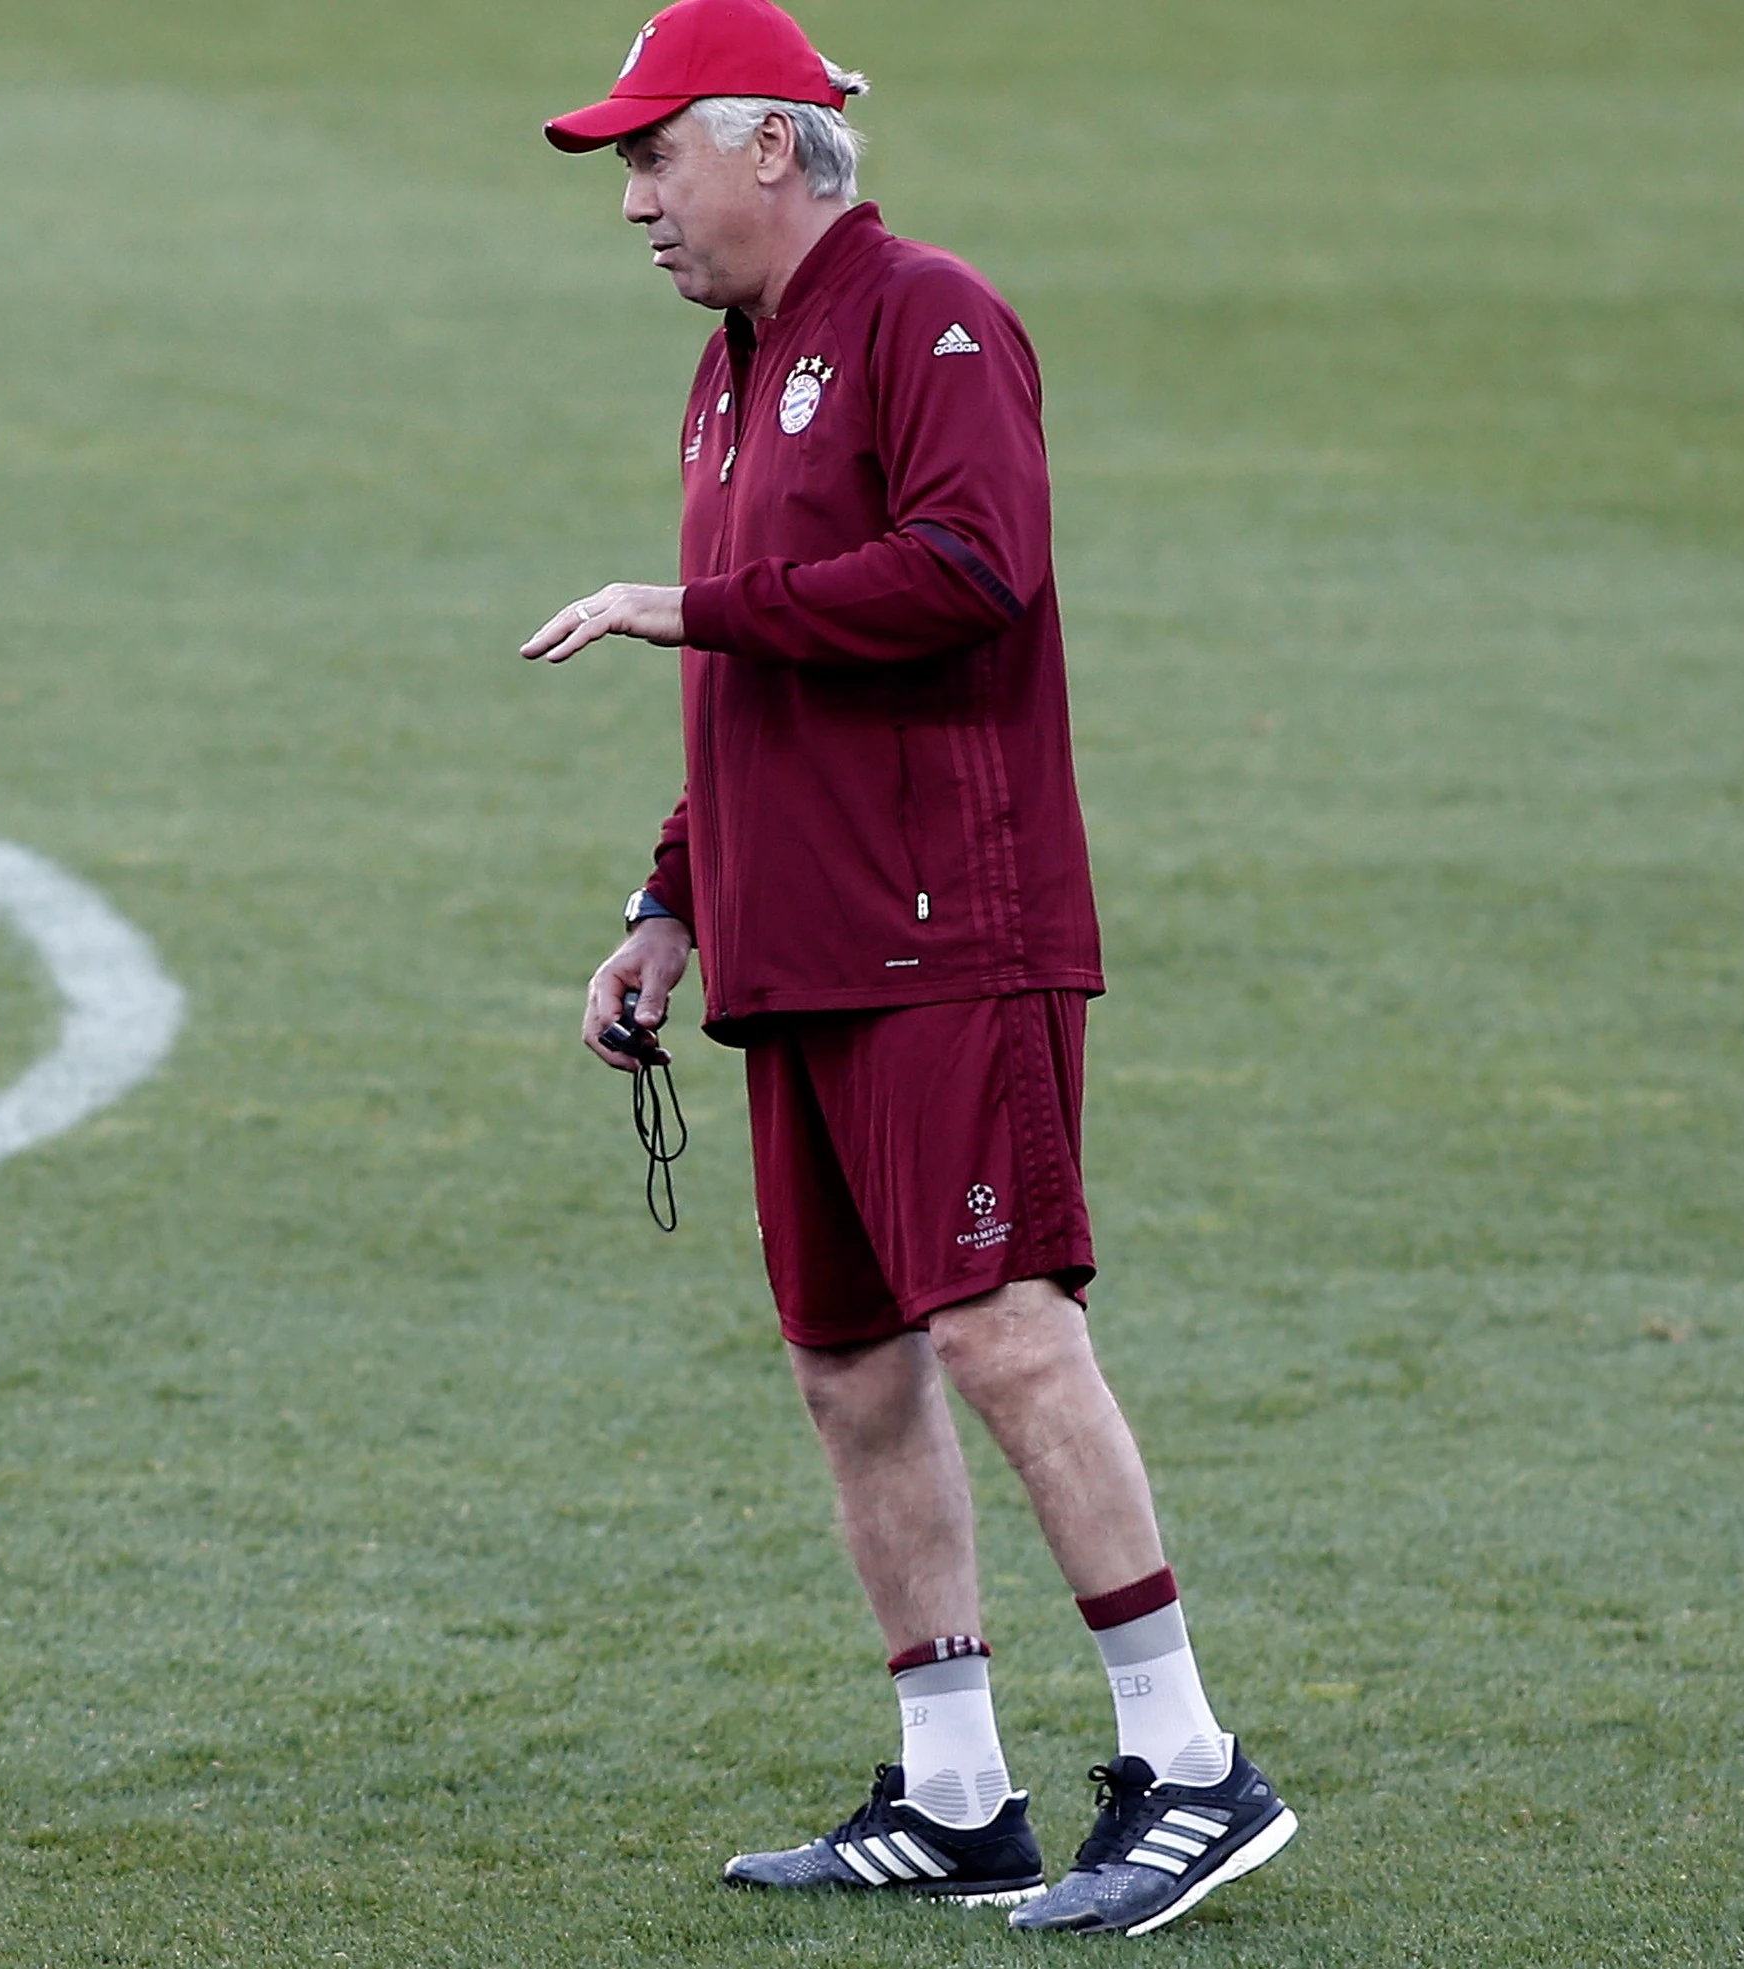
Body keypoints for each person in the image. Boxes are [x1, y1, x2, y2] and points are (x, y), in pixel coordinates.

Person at [522, 1, 1296, 1936]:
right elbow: (761, 687)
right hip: (797, 946)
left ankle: (1193, 1767)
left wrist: (680, 603)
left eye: (650, 154)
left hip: (951, 926)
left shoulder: (928, 317)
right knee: (851, 1363)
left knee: (1001, 1325)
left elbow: (974, 568)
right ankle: (957, 1789)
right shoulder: (729, 372)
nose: (633, 198)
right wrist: (669, 903)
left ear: (771, 145)